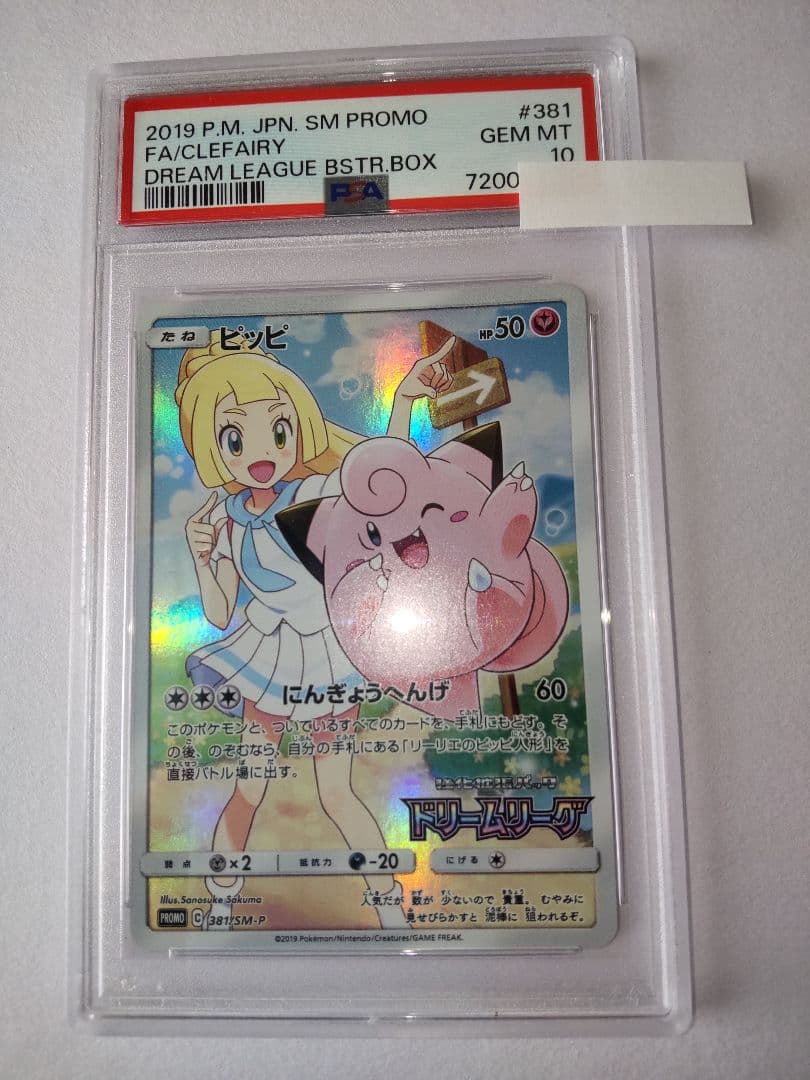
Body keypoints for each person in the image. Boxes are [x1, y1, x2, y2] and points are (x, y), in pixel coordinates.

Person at [175, 328, 453, 929]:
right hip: (270, 662)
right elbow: (219, 613)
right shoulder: (228, 520)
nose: (260, 451)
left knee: (336, 793)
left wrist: (403, 400)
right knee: (250, 786)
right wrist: (202, 557)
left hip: (327, 661)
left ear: (298, 426)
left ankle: (389, 908)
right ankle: (220, 904)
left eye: (278, 429)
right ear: (212, 448)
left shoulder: (314, 493)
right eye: (234, 437)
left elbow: (384, 483)